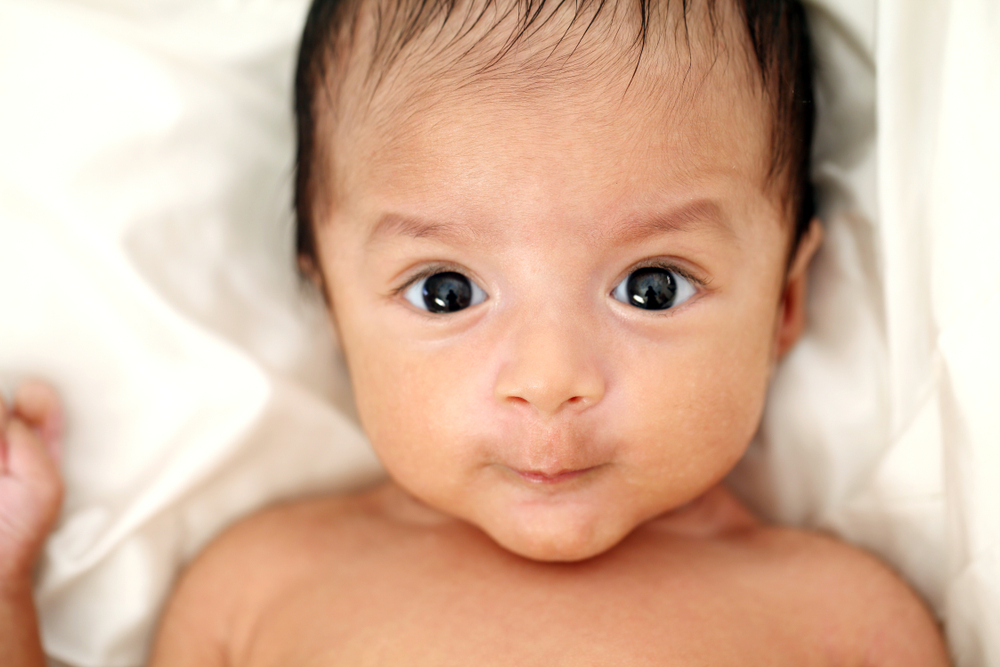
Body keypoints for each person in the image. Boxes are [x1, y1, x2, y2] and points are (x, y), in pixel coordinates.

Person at [1, 0, 952, 664]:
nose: (549, 379)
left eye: (652, 286)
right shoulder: (258, 588)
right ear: (332, 305)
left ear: (785, 304)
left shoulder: (841, 618)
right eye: (447, 291)